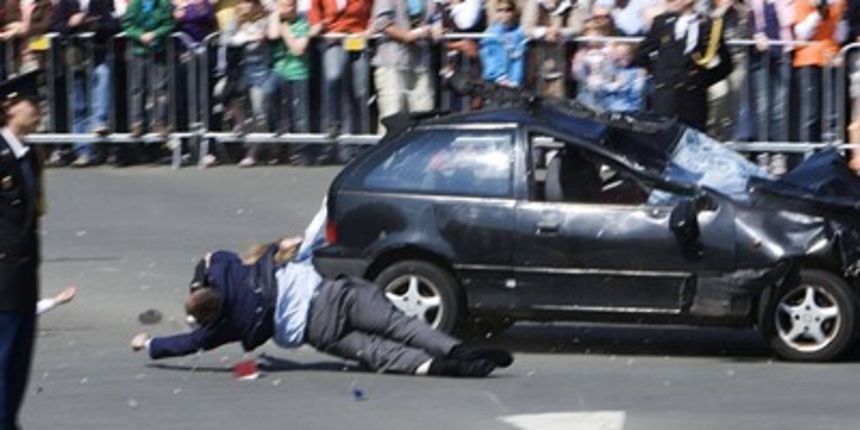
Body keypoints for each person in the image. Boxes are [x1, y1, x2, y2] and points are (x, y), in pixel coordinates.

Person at [130, 208, 514, 377]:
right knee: (401, 325)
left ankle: (441, 368)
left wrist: (149, 344)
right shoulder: (243, 268)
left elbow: (186, 343)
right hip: (335, 296)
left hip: (318, 332)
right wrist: (201, 275)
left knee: (380, 353)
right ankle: (456, 350)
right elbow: (216, 256)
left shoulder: (223, 326)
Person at [0, 70, 45, 430]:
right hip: (1, 277)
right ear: (10, 107)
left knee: (18, 365)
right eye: (32, 102)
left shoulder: (30, 156)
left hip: (24, 276)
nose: (38, 108)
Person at [634, 0, 733, 131]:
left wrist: (701, 81)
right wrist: (662, 75)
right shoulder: (662, 23)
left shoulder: (708, 25)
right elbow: (642, 54)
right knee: (663, 139)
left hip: (694, 100)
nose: (670, 2)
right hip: (666, 98)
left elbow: (726, 64)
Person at [53, 0, 122, 168]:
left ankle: (100, 121)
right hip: (75, 57)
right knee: (79, 107)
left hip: (97, 54)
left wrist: (97, 25)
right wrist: (71, 23)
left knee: (103, 74)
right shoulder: (66, 3)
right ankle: (83, 152)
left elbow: (115, 24)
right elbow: (56, 26)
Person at [220, 0, 278, 167]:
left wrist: (245, 37)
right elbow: (227, 40)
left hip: (261, 71)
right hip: (240, 73)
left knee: (259, 110)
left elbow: (266, 36)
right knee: (220, 91)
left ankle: (254, 150)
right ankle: (241, 122)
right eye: (242, 2)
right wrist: (244, 34)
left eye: (249, 3)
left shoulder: (264, 20)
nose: (244, 6)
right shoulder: (235, 21)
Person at [370, 0, 438, 134]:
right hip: (392, 62)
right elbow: (380, 22)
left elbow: (435, 18)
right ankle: (386, 154)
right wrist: (407, 36)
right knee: (392, 116)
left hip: (420, 63)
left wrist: (436, 28)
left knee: (424, 116)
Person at [792, 0, 845, 144]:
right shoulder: (803, 2)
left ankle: (832, 155)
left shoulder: (838, 2)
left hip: (832, 59)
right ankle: (810, 154)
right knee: (811, 114)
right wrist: (818, 12)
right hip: (809, 60)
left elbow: (840, 35)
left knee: (833, 113)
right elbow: (801, 33)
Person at [123, 0, 175, 139]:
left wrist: (156, 33)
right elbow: (127, 24)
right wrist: (139, 35)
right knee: (137, 88)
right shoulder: (135, 4)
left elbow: (169, 24)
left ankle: (160, 122)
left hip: (158, 51)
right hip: (139, 51)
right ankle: (137, 123)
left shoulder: (163, 4)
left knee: (160, 88)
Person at [520, 0, 591, 98]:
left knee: (561, 104)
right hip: (537, 61)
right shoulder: (535, 3)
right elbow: (526, 28)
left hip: (562, 61)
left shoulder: (571, 4)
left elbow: (578, 28)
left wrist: (559, 32)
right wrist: (545, 32)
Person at [271, 0, 312, 165]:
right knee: (280, 115)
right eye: (281, 5)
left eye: (288, 5)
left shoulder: (303, 21)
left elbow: (298, 49)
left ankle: (302, 151)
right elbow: (273, 35)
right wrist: (276, 16)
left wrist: (286, 31)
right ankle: (281, 150)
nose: (284, 9)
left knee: (300, 116)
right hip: (279, 72)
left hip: (298, 73)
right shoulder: (277, 19)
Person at [479, 0, 526, 91]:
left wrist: (515, 80)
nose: (504, 13)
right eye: (500, 10)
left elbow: (518, 59)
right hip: (495, 83)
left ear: (514, 12)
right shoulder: (490, 34)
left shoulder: (519, 33)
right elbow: (488, 57)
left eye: (508, 10)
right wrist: (499, 77)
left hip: (515, 84)